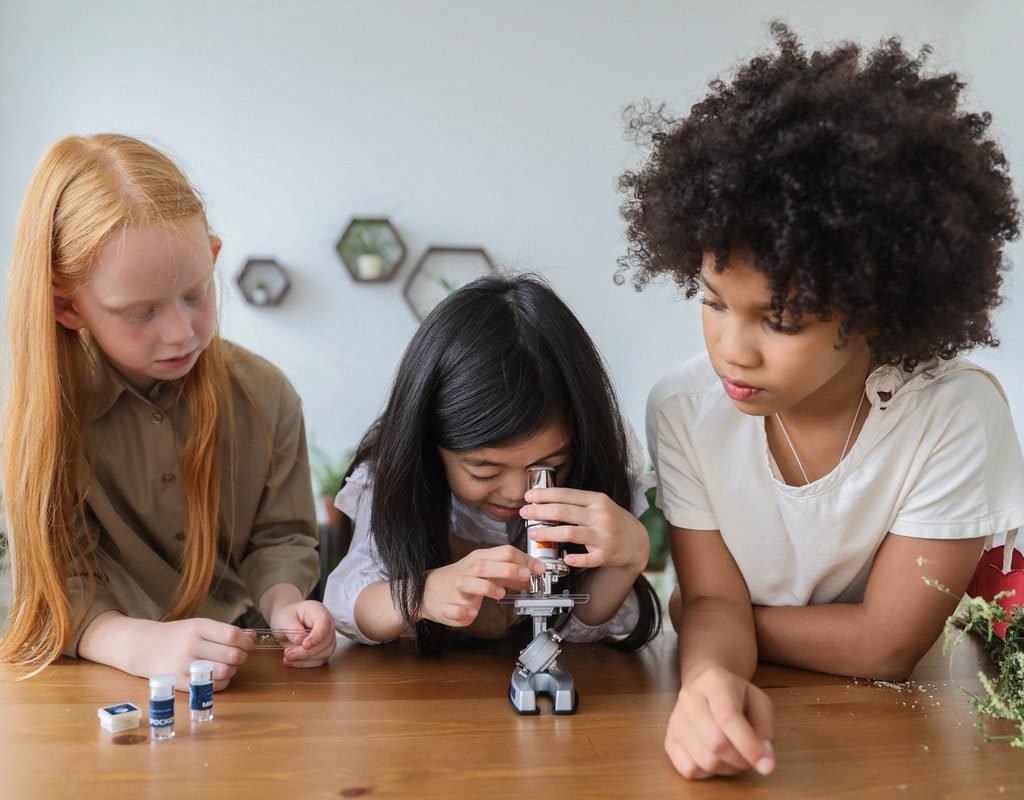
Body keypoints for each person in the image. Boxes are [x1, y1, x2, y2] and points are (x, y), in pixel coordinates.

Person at [618, 25, 1024, 779]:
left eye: (780, 320)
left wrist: (719, 624)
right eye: (712, 302)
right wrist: (710, 680)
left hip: (903, 736)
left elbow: (888, 648)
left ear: (873, 307)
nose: (732, 350)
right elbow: (709, 601)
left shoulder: (954, 415)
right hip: (769, 715)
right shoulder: (683, 408)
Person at [0, 134, 336, 690]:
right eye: (139, 313)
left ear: (213, 257)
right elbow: (55, 584)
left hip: (245, 670)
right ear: (66, 305)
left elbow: (280, 541)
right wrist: (137, 644)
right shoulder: (41, 421)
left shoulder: (267, 396)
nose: (181, 333)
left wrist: (284, 606)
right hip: (88, 683)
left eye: (196, 294)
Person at [323, 273, 661, 653]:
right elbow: (346, 607)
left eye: (548, 467)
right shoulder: (392, 479)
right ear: (431, 447)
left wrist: (627, 561)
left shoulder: (595, 468)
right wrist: (422, 594)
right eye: (483, 471)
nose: (519, 493)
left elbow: (579, 631)